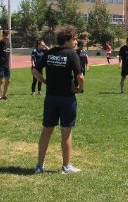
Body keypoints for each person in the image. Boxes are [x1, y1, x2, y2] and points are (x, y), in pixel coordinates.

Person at [32, 25, 85, 174]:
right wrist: (80, 88)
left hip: (51, 98)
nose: (76, 42)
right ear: (68, 40)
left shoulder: (49, 53)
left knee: (46, 131)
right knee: (66, 132)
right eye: (74, 39)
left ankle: (39, 166)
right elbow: (80, 77)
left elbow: (35, 71)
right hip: (67, 98)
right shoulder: (71, 54)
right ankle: (66, 166)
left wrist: (44, 81)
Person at [0, 30, 11, 100]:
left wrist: (9, 63)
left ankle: (4, 95)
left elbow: (8, 55)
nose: (6, 36)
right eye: (5, 35)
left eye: (7, 35)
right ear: (3, 35)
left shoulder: (8, 44)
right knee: (1, 80)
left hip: (7, 65)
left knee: (8, 80)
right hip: (1, 65)